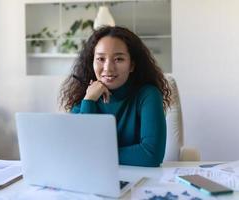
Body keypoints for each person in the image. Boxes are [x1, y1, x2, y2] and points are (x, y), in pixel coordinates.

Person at [59, 26, 171, 167]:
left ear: (132, 65)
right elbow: (76, 150)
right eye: (100, 58)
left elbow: (151, 155)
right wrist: (89, 101)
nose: (108, 68)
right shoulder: (86, 97)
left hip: (138, 180)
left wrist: (95, 154)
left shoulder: (148, 95)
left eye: (118, 59)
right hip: (92, 178)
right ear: (91, 62)